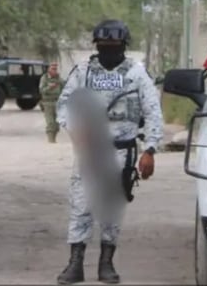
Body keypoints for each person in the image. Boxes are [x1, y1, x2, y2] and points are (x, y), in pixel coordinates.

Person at [55, 19, 164, 285]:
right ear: (97, 46)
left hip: (122, 153)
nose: (109, 50)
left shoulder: (137, 73)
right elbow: (64, 106)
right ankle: (75, 263)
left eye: (114, 46)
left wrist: (149, 149)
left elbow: (152, 112)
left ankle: (106, 263)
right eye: (104, 46)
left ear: (123, 46)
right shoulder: (83, 71)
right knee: (81, 206)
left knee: (111, 211)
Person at [39, 62, 64, 143]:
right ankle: (51, 140)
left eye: (55, 69)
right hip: (48, 103)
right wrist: (49, 87)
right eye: (52, 68)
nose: (54, 70)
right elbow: (42, 90)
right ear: (49, 69)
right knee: (50, 122)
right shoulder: (44, 78)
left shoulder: (59, 79)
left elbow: (65, 88)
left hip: (57, 102)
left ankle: (54, 138)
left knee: (57, 123)